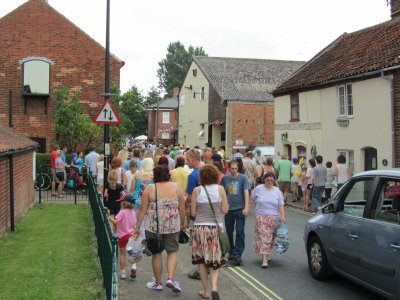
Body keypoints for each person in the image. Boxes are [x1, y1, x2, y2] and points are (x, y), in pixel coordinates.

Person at [134, 165, 186, 293]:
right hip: (172, 226)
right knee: (172, 252)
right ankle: (170, 278)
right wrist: (183, 223)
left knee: (156, 253)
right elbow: (182, 209)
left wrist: (137, 227)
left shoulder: (150, 189)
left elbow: (142, 210)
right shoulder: (176, 188)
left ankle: (158, 282)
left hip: (153, 226)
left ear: (155, 175)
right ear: (168, 174)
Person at [191, 164, 229, 300]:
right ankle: (214, 287)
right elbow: (225, 210)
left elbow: (193, 213)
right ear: (215, 176)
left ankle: (205, 291)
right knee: (215, 259)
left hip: (200, 228)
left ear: (202, 177)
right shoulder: (220, 189)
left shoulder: (196, 191)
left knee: (202, 260)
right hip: (216, 228)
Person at [250, 172, 286, 268]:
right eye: (267, 180)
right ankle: (264, 259)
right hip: (261, 217)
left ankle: (267, 252)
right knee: (264, 237)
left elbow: (281, 204)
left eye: (271, 180)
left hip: (275, 218)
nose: (269, 182)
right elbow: (252, 200)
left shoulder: (277, 191)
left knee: (271, 238)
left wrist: (283, 216)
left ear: (274, 180)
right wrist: (246, 209)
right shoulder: (258, 189)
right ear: (264, 180)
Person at [220, 160, 250, 266]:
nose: (233, 171)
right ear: (229, 168)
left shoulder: (243, 178)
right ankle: (231, 252)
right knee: (229, 232)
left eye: (235, 168)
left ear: (238, 168)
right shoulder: (225, 178)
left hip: (240, 208)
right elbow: (222, 193)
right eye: (232, 169)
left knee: (240, 231)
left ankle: (238, 254)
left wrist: (246, 207)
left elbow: (246, 192)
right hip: (229, 209)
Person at [109, 194, 137, 280]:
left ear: (124, 203)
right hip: (131, 235)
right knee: (132, 252)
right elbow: (134, 224)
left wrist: (109, 216)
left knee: (122, 254)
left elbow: (116, 222)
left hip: (122, 236)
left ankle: (123, 273)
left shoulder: (122, 212)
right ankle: (133, 266)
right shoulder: (133, 212)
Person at [171, 157, 190, 224]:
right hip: (185, 195)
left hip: (174, 195)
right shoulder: (188, 172)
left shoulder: (172, 172)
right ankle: (185, 225)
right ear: (184, 163)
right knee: (185, 211)